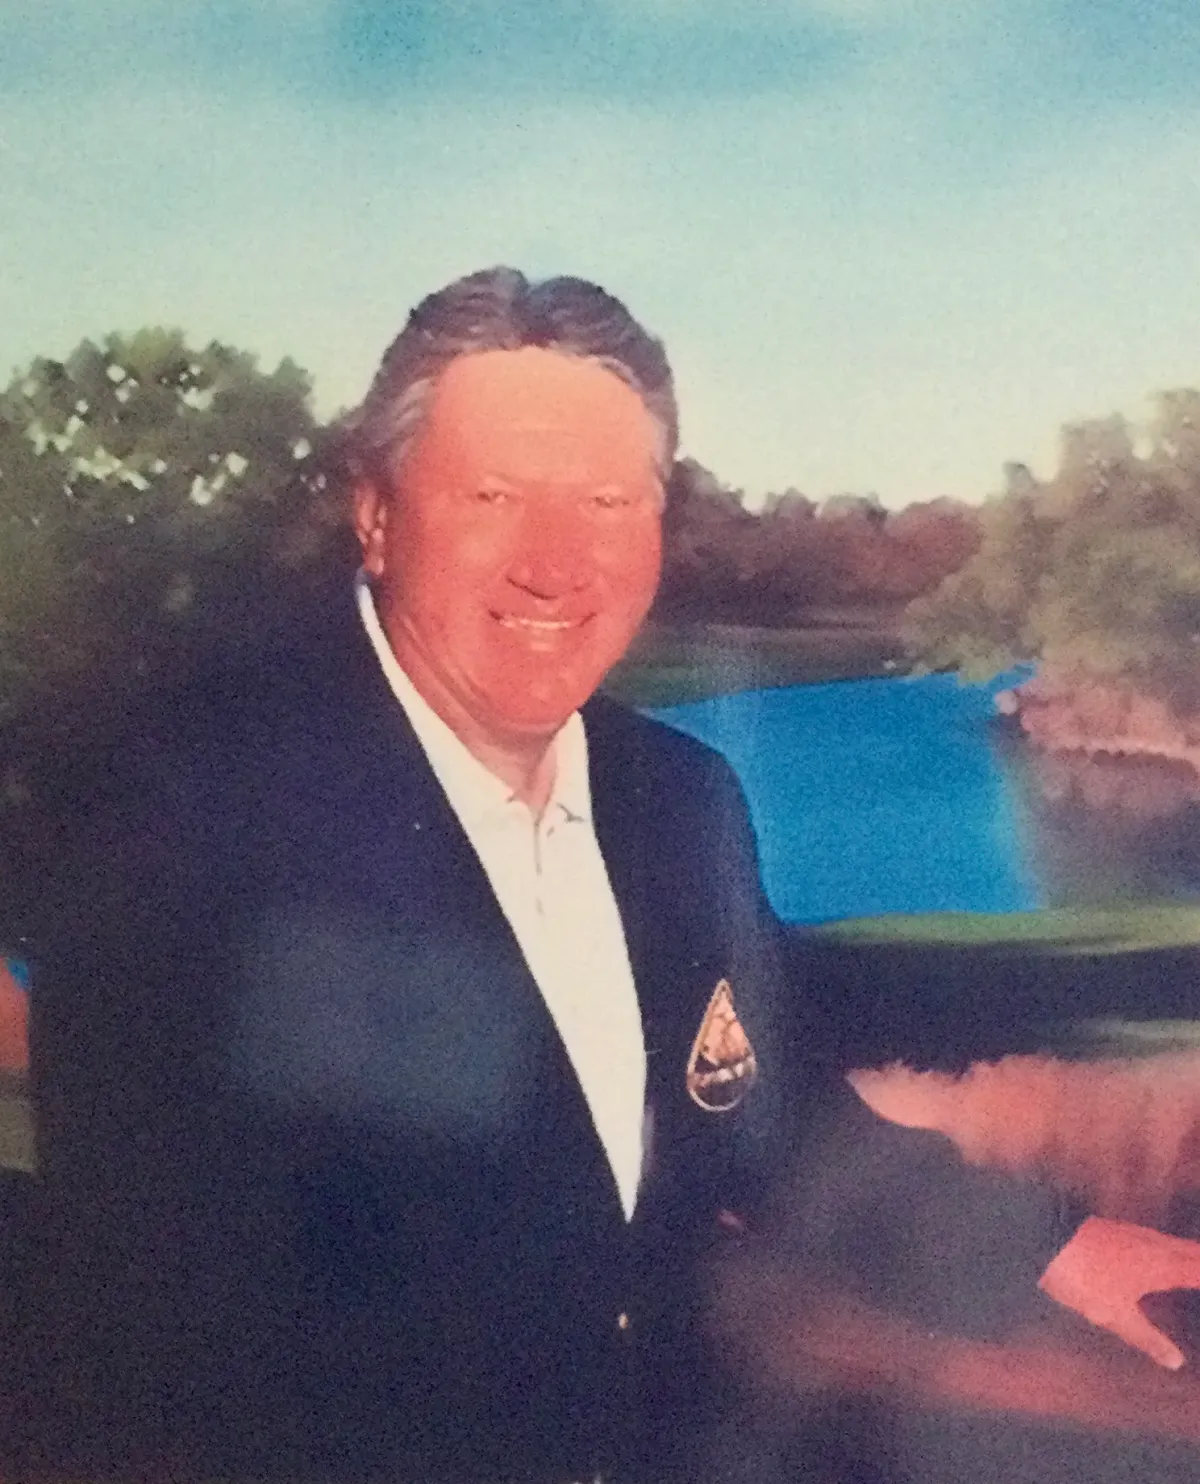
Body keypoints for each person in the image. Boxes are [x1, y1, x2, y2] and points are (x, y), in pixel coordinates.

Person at [14, 267, 1200, 1484]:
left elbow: (752, 1092)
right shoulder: (189, 827)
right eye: (494, 496)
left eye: (608, 500)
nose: (557, 562)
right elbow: (133, 1323)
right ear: (377, 512)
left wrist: (1048, 1241)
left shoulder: (679, 801)